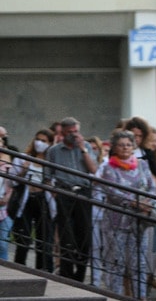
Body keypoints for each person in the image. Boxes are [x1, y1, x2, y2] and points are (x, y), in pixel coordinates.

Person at [96, 130, 156, 298]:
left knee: (139, 262)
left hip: (139, 221)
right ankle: (116, 297)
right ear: (115, 147)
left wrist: (147, 202)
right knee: (117, 262)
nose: (125, 148)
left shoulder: (142, 165)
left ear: (134, 147)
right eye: (121, 145)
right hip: (117, 222)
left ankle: (141, 298)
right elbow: (112, 191)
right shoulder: (109, 168)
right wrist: (135, 202)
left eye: (128, 145)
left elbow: (151, 186)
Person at [46, 117, 100, 282]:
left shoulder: (87, 147)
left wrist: (83, 149)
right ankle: (67, 273)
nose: (74, 135)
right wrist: (56, 193)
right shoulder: (54, 151)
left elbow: (93, 170)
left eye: (76, 131)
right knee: (66, 235)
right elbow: (47, 177)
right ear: (62, 132)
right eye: (70, 132)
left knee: (84, 234)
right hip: (64, 192)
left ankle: (80, 274)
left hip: (83, 192)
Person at [10, 130, 54, 272]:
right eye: (38, 139)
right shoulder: (23, 158)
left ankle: (44, 270)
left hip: (43, 200)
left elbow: (54, 183)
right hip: (26, 200)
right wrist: (23, 170)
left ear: (50, 144)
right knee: (24, 238)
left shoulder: (50, 163)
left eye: (44, 141)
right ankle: (19, 268)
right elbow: (12, 182)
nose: (39, 143)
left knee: (44, 239)